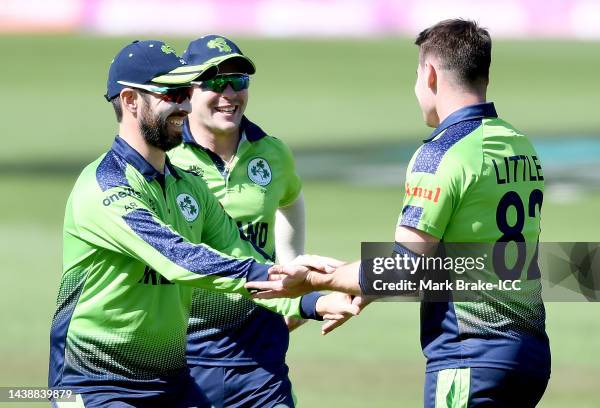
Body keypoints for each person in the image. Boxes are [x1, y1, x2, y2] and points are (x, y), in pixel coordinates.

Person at [247, 19, 551, 407]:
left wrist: (316, 280)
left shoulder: (442, 153)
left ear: (430, 75)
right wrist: (360, 288)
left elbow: (405, 269)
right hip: (529, 355)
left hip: (470, 356)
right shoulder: (518, 143)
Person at [48, 39, 358, 408]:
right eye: (173, 93)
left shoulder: (188, 187)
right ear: (131, 101)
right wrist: (311, 279)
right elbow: (179, 258)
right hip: (96, 384)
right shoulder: (105, 188)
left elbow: (242, 255)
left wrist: (313, 300)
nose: (184, 104)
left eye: (185, 92)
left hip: (170, 384)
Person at [167, 34, 316, 408]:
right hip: (183, 353)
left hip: (259, 351)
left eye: (240, 82)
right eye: (216, 83)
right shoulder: (165, 157)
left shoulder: (272, 151)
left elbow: (292, 199)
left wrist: (290, 264)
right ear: (188, 90)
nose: (230, 93)